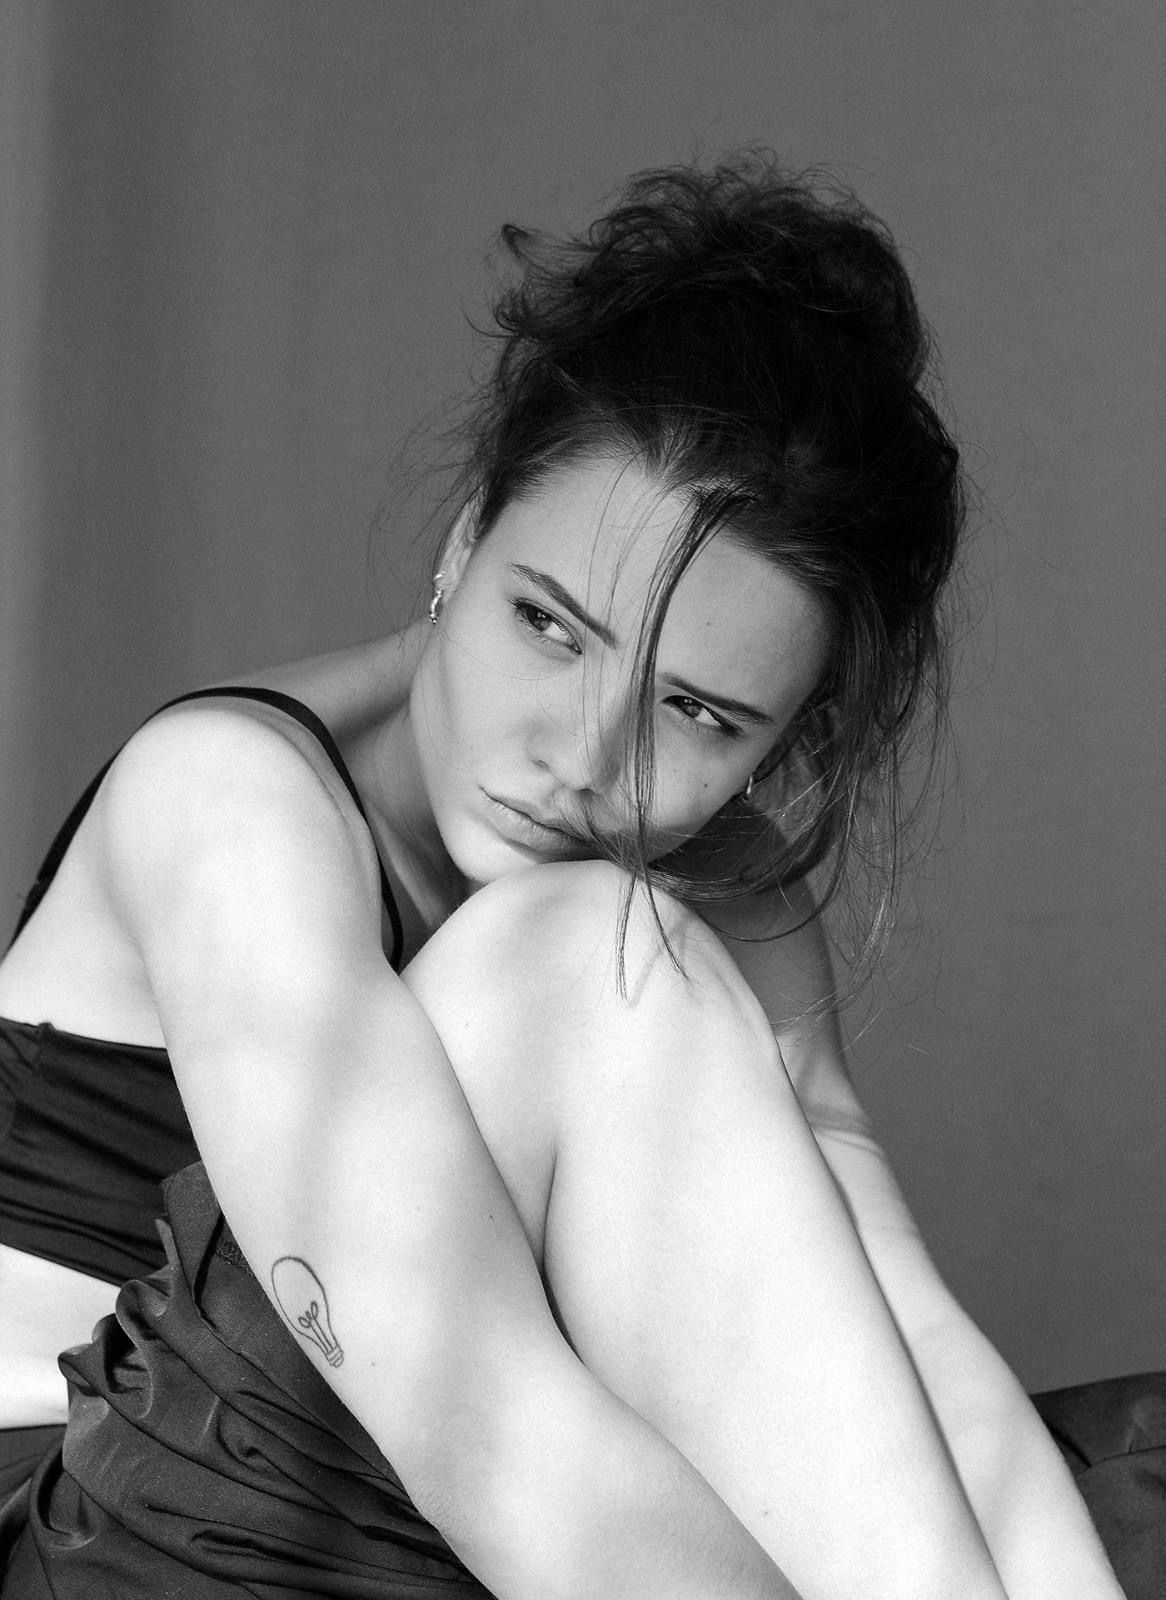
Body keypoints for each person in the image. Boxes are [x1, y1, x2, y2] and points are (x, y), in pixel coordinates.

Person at [0, 156, 1145, 1596]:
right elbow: (484, 1423)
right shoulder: (227, 798)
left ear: (787, 741)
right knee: (581, 948)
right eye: (548, 626)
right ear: (463, 543)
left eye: (699, 713)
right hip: (89, 1533)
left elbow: (903, 1356)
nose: (580, 758)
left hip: (441, 1524)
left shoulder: (715, 885)